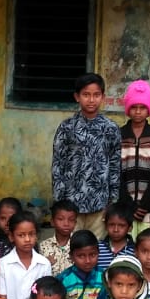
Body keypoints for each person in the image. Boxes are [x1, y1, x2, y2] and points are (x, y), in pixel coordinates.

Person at [52, 72, 122, 240]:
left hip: (99, 204)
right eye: (86, 95)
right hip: (70, 205)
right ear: (77, 97)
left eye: (96, 95)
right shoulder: (67, 127)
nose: (91, 100)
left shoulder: (111, 128)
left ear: (102, 97)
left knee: (95, 248)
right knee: (71, 247)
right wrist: (59, 202)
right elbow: (58, 164)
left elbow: (115, 165)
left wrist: (112, 201)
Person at [119, 79, 150, 234]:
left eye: (142, 107)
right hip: (125, 206)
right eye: (134, 107)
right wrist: (128, 203)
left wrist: (145, 205)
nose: (138, 111)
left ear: (148, 109)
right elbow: (116, 172)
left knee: (148, 241)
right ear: (128, 109)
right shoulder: (119, 135)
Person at [38, 199, 79, 276]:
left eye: (71, 220)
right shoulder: (43, 246)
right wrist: (46, 263)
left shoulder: (79, 243)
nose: (66, 224)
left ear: (75, 223)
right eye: (60, 219)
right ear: (52, 222)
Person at [97, 202, 136, 271]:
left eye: (121, 225)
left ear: (130, 228)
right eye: (111, 225)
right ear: (105, 226)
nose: (116, 230)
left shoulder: (135, 250)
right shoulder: (97, 248)